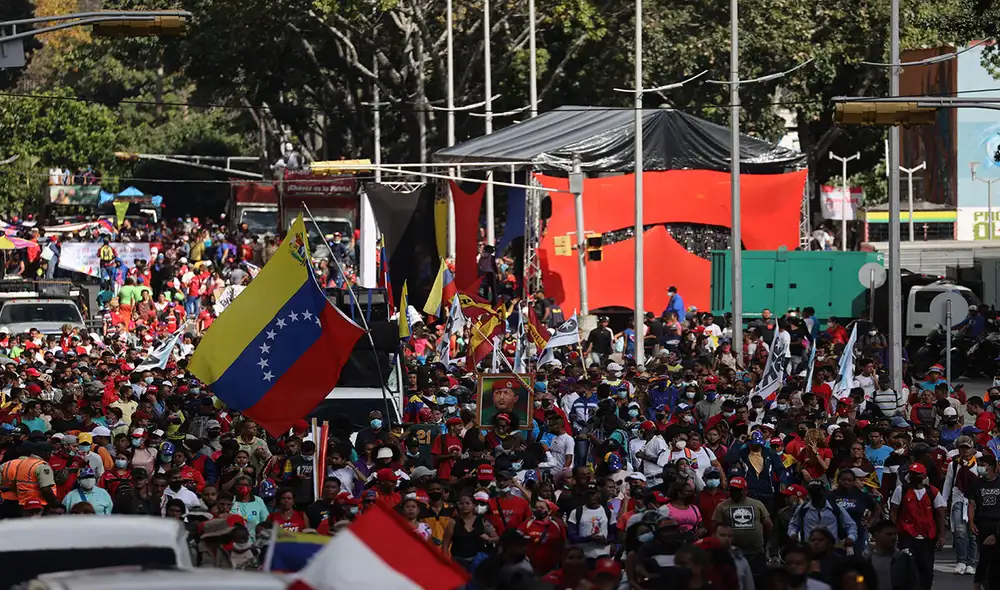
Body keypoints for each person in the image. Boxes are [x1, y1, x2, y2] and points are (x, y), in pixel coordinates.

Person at [889, 462, 946, 590]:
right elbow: (894, 511)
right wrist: (893, 532)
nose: (914, 476)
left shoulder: (933, 492)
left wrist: (941, 535)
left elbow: (940, 514)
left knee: (926, 569)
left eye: (917, 474)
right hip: (907, 535)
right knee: (908, 568)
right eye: (912, 474)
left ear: (924, 475)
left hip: (927, 537)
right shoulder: (901, 490)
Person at [712, 476, 771, 580]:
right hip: (732, 553)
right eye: (732, 490)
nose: (734, 492)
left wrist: (764, 542)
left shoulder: (757, 504)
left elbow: (768, 525)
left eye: (737, 490)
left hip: (756, 552)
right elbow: (715, 527)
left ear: (745, 490)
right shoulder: (722, 506)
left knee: (759, 580)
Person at [969, 452, 1000, 588]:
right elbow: (971, 503)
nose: (980, 468)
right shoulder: (976, 483)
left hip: (997, 526)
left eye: (983, 465)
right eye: (979, 465)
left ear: (992, 467)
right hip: (982, 525)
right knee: (984, 559)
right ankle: (980, 584)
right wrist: (971, 522)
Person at [867, 520, 920, 590]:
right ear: (876, 535)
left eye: (895, 534)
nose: (893, 537)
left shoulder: (904, 560)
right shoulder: (866, 559)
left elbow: (913, 584)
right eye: (889, 534)